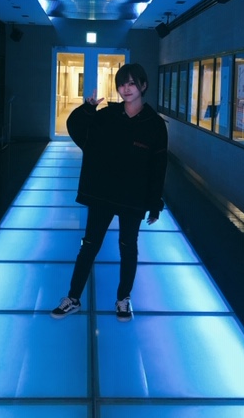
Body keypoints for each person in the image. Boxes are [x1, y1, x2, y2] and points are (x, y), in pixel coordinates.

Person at [51, 63, 168, 322]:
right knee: (89, 245)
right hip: (103, 192)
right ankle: (73, 298)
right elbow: (78, 130)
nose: (126, 89)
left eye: (132, 83)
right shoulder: (108, 115)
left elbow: (158, 166)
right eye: (122, 84)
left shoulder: (155, 124)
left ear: (143, 85)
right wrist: (88, 109)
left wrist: (154, 203)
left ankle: (123, 299)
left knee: (128, 247)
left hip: (133, 196)